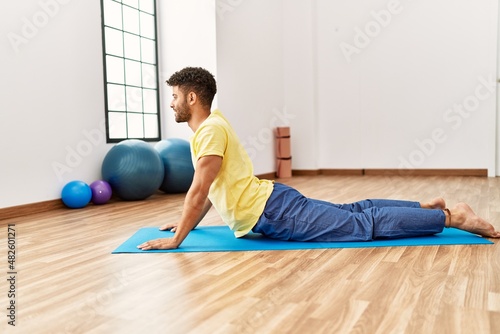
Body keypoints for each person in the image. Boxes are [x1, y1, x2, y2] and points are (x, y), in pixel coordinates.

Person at [137, 67, 500, 250]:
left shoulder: (210, 132)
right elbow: (211, 190)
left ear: (191, 99)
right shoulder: (210, 128)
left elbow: (199, 190)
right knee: (355, 211)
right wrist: (187, 224)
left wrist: (177, 240)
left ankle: (450, 217)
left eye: (174, 96)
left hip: (275, 211)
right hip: (274, 204)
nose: (170, 103)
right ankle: (425, 204)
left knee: (360, 225)